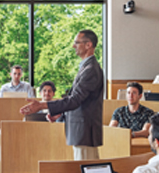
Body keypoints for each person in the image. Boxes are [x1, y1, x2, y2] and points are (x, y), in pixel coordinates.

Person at [19, 30, 103, 160]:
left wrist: (42, 105)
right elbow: (81, 101)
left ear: (88, 45)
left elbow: (75, 99)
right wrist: (62, 114)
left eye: (77, 42)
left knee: (86, 172)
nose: (73, 46)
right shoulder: (86, 66)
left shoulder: (90, 69)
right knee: (85, 172)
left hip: (84, 132)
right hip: (81, 131)